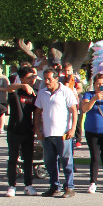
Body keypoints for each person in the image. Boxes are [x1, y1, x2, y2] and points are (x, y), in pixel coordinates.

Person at [35, 68, 78, 198]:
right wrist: (38, 129)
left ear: (56, 78)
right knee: (49, 161)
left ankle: (69, 187)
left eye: (49, 79)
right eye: (45, 79)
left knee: (66, 161)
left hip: (63, 133)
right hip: (48, 133)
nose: (47, 82)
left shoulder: (65, 91)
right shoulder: (42, 93)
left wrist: (72, 129)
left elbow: (74, 110)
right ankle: (54, 186)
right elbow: (37, 113)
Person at [4, 67, 39, 197]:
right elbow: (9, 87)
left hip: (28, 130)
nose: (32, 80)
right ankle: (12, 185)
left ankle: (28, 185)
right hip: (14, 129)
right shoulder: (16, 91)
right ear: (23, 78)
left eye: (33, 77)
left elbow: (37, 111)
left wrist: (36, 127)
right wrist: (23, 85)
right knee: (13, 158)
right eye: (29, 77)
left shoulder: (34, 93)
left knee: (28, 159)